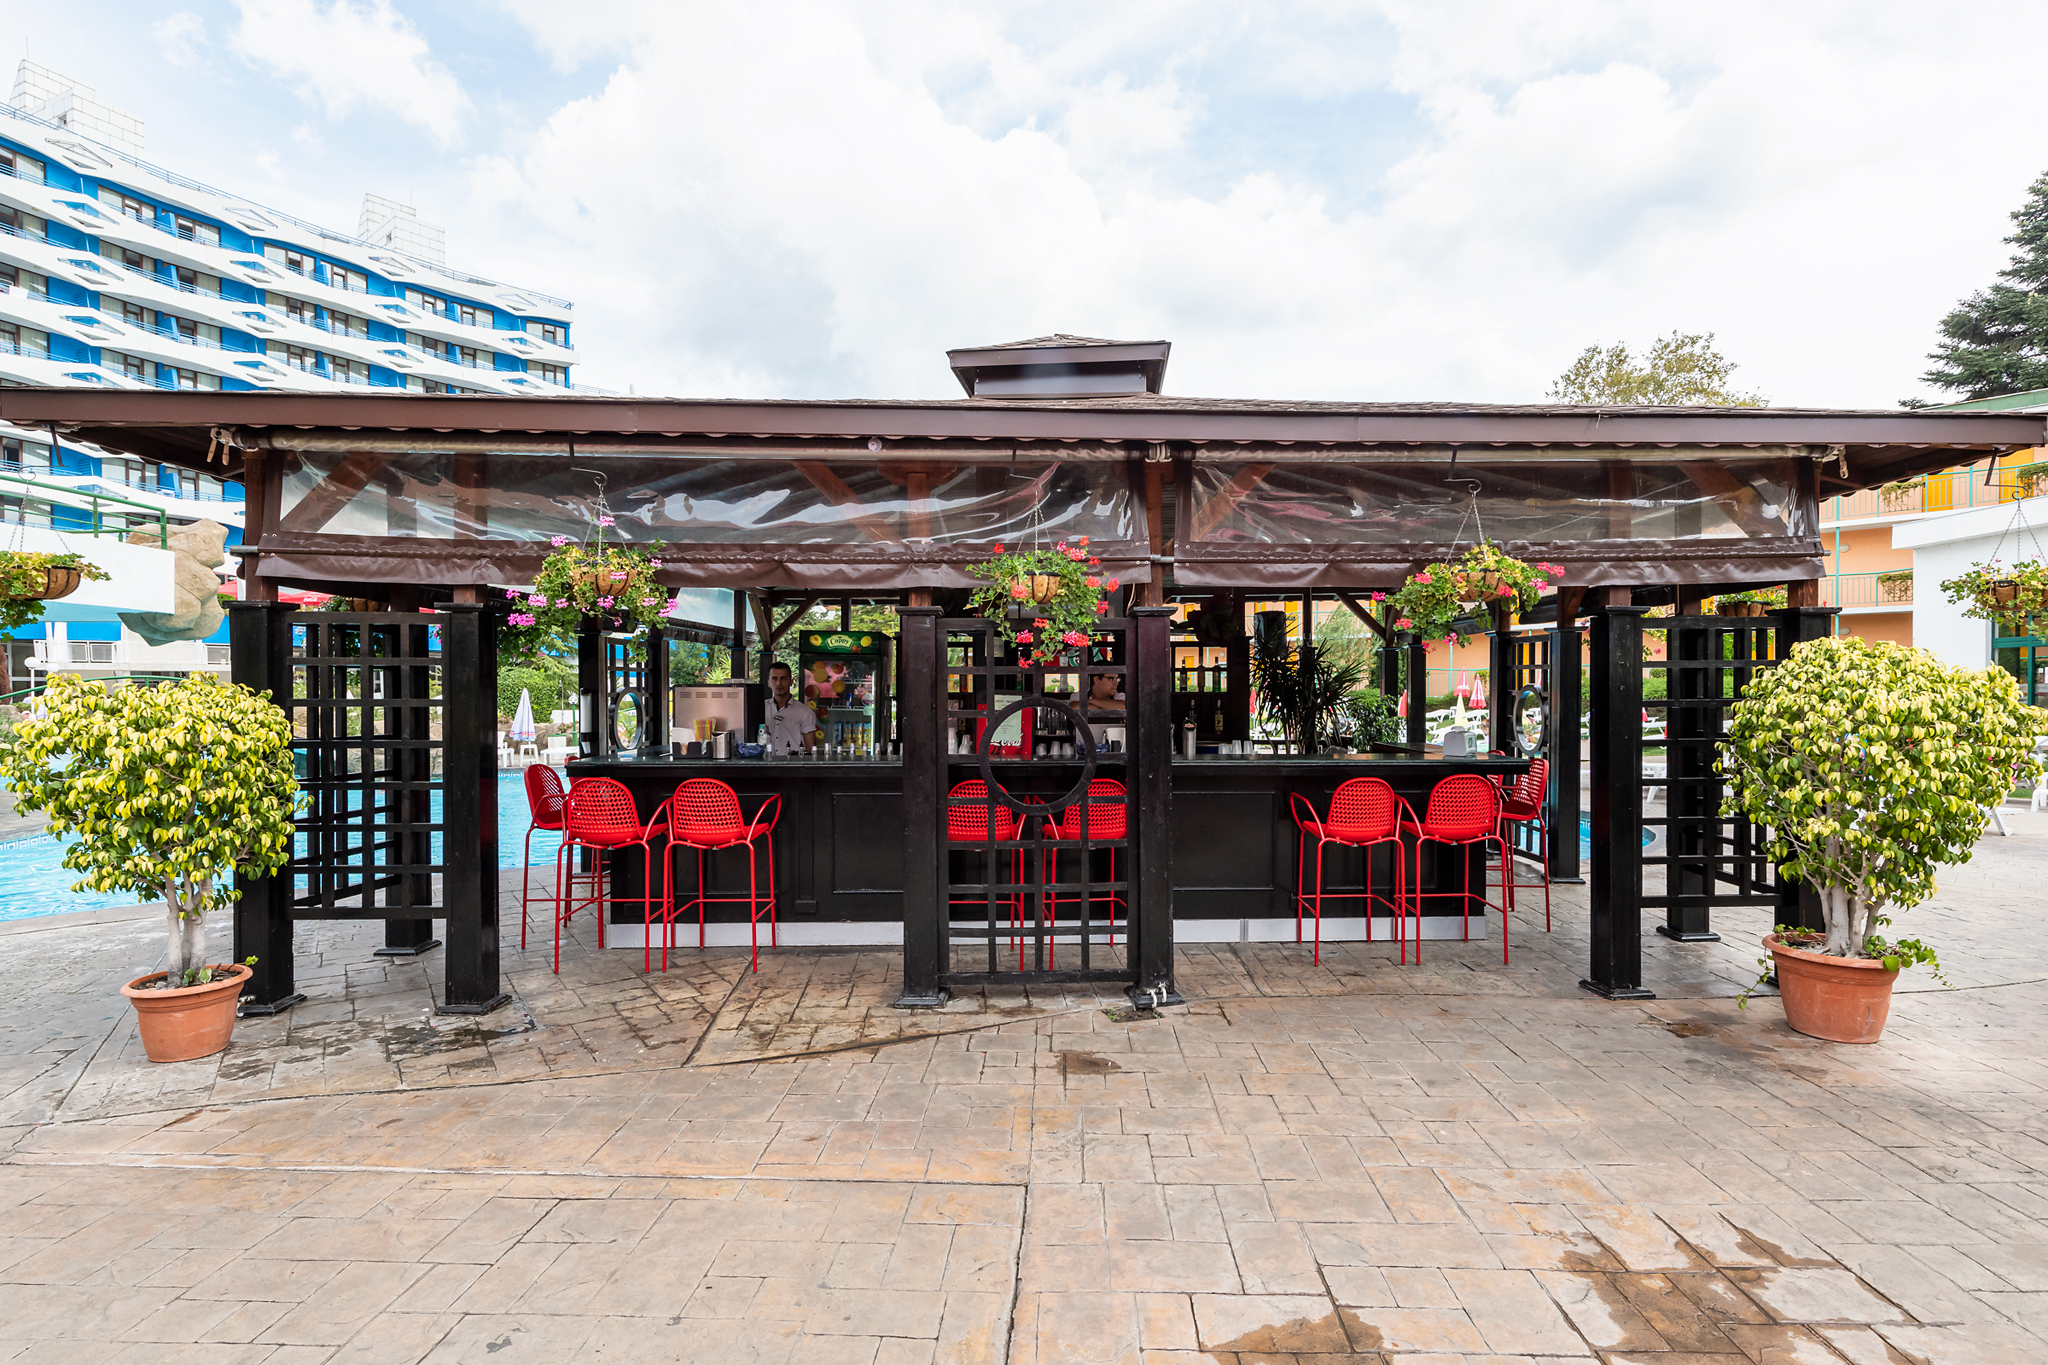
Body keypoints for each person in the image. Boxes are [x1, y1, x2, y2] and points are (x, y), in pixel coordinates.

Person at [765, 660, 819, 755]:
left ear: (791, 682)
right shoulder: (761, 708)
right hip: (765, 761)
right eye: (774, 679)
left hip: (793, 762)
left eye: (783, 678)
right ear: (769, 683)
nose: (779, 683)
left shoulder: (804, 712)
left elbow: (809, 749)